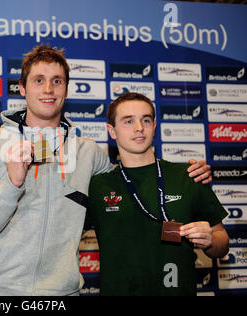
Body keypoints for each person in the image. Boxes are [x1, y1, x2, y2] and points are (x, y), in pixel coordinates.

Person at [0, 44, 212, 296]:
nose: (48, 89)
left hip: (63, 292)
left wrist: (186, 173)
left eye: (57, 81)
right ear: (22, 88)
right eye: (39, 80)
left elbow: (132, 181)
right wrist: (11, 183)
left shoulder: (88, 152)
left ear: (66, 89)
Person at [86, 92, 229, 296]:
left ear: (154, 126)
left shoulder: (188, 176)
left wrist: (210, 241)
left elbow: (221, 241)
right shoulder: (98, 185)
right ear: (112, 131)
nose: (139, 128)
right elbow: (62, 235)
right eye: (128, 121)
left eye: (146, 120)